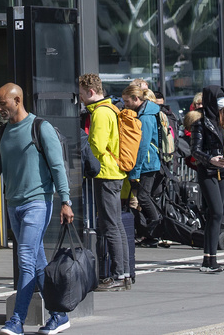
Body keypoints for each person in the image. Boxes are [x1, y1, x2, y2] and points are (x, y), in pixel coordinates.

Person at [0, 83, 73, 335]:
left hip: (37, 202)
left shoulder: (40, 127)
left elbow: (57, 167)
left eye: (2, 104)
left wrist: (66, 201)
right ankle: (58, 315)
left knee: (25, 260)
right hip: (13, 204)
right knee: (37, 263)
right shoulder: (1, 133)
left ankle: (17, 321)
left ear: (17, 101)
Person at [78, 74, 128, 290]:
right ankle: (124, 273)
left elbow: (96, 146)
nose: (80, 98)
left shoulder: (100, 113)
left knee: (110, 225)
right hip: (115, 172)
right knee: (116, 224)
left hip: (106, 173)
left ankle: (117, 275)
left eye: (81, 94)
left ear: (91, 92)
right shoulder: (111, 109)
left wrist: (83, 145)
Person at [188, 85, 224, 274]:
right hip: (208, 171)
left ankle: (209, 258)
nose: (222, 102)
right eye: (219, 98)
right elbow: (195, 150)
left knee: (215, 215)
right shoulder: (200, 123)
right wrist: (210, 159)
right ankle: (209, 259)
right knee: (216, 211)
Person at [123, 82, 163, 248]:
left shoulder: (145, 116)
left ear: (136, 99)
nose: (125, 105)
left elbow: (142, 145)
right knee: (144, 198)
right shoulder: (146, 112)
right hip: (149, 162)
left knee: (143, 197)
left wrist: (135, 171)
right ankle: (152, 231)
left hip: (147, 163)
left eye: (127, 101)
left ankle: (156, 231)